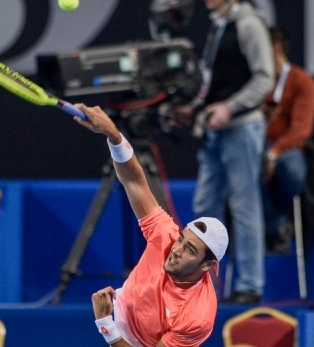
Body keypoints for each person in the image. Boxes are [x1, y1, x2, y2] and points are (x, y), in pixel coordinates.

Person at [77, 103, 229, 347]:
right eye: (182, 239)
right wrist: (113, 134)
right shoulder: (166, 235)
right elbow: (134, 181)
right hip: (122, 318)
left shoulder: (197, 317)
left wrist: (106, 325)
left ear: (208, 265)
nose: (176, 250)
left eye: (190, 250)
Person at [177, 0, 274, 305]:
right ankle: (204, 287)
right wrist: (197, 107)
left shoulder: (248, 24)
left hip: (242, 128)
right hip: (214, 131)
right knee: (204, 205)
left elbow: (265, 78)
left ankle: (250, 285)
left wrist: (230, 107)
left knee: (245, 207)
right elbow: (215, 81)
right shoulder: (218, 26)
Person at [261, 26, 314, 253]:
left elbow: (301, 129)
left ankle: (272, 226)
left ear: (275, 48)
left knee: (293, 171)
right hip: (252, 145)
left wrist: (274, 152)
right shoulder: (254, 80)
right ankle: (275, 227)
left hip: (286, 148)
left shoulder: (302, 81)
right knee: (243, 171)